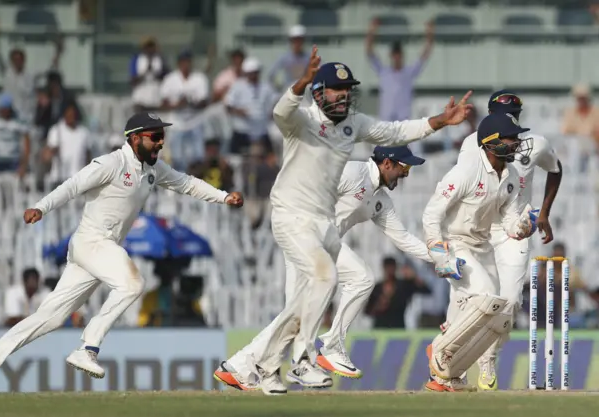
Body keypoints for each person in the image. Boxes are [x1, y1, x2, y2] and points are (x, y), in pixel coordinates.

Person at [227, 45, 473, 395]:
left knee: (302, 306)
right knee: (329, 279)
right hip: (292, 217)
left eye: (347, 91)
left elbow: (395, 132)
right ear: (318, 92)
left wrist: (439, 121)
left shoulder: (354, 127)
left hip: (322, 226)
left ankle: (255, 368)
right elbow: (281, 112)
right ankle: (304, 360)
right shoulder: (304, 120)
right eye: (335, 90)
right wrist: (301, 82)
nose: (343, 97)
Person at [0, 112, 244, 393]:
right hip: (92, 241)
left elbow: (187, 183)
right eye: (155, 137)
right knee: (133, 284)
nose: (160, 143)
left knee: (50, 317)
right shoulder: (112, 163)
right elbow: (72, 185)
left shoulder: (153, 170)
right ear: (135, 139)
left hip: (99, 248)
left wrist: (223, 196)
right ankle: (89, 347)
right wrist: (41, 207)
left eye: (162, 137)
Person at [216, 145, 435, 390]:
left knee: (298, 314)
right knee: (360, 278)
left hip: (323, 246)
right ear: (387, 163)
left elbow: (403, 238)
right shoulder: (353, 172)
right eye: (404, 167)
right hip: (305, 236)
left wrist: (440, 257)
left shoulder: (380, 200)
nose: (406, 174)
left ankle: (239, 366)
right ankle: (327, 347)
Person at [423, 113, 538, 392]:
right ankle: (438, 350)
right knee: (486, 297)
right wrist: (439, 253)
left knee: (501, 312)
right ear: (492, 142)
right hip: (455, 243)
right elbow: (431, 213)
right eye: (511, 138)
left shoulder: (510, 176)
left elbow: (509, 222)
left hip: (482, 245)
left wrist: (522, 227)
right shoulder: (466, 171)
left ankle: (449, 375)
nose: (517, 143)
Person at [457, 90, 562, 391]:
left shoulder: (534, 144)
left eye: (514, 115)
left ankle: (488, 357)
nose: (510, 120)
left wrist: (543, 213)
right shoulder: (471, 144)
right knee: (474, 300)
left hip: (514, 232)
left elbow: (556, 169)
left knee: (511, 302)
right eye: (503, 114)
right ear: (490, 115)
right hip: (479, 230)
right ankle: (457, 363)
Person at [366, 18, 435, 122]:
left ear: (402, 55)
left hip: (403, 120)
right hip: (386, 120)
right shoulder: (383, 71)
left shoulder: (409, 72)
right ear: (391, 55)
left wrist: (429, 33)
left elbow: (424, 55)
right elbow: (369, 52)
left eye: (398, 55)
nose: (397, 57)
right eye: (395, 55)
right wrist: (372, 30)